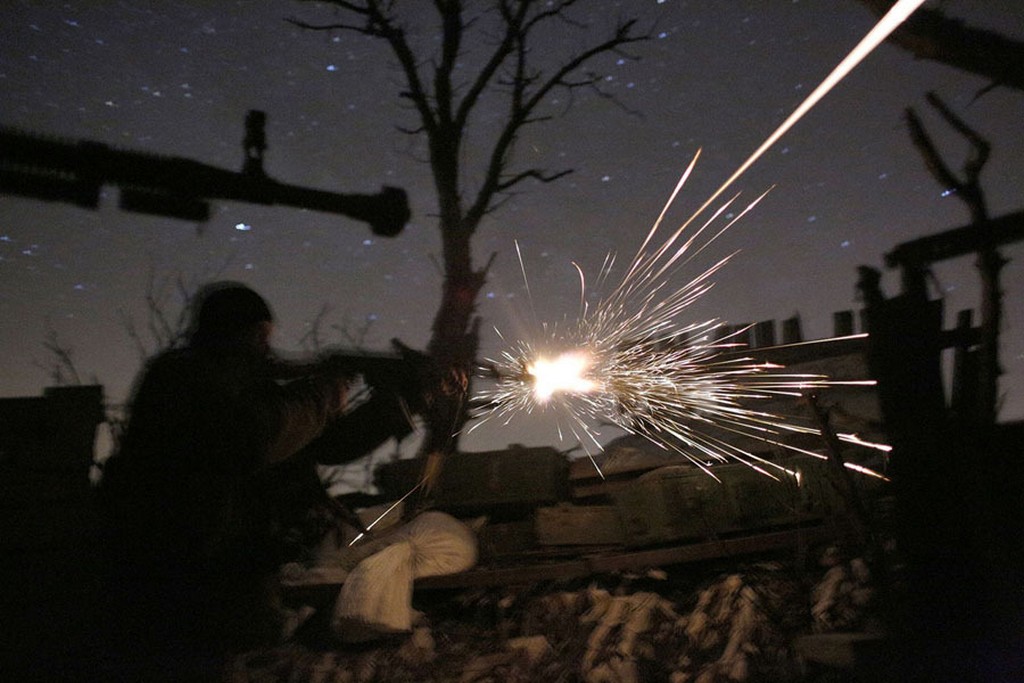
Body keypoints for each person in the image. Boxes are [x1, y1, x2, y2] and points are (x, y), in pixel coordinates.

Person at [96, 282, 361, 680]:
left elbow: (321, 448)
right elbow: (254, 438)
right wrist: (322, 396)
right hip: (184, 563)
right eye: (261, 337)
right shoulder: (185, 376)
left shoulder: (221, 379)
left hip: (212, 559)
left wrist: (392, 408)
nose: (267, 349)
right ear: (244, 333)